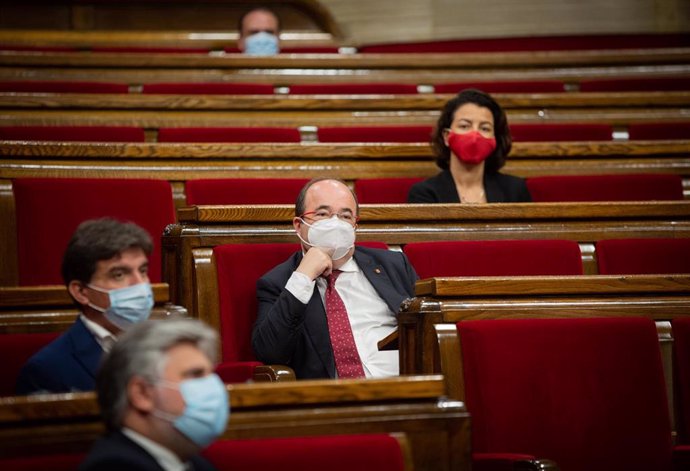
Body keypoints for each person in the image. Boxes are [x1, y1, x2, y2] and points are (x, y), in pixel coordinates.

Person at [252, 177, 418, 380]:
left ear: (355, 225)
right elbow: (270, 352)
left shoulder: (393, 265)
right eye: (322, 214)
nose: (335, 223)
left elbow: (427, 324)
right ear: (298, 224)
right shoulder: (278, 282)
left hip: (406, 390)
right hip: (334, 401)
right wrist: (303, 277)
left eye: (345, 216)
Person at [15, 218, 155, 395]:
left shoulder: (169, 348)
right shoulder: (45, 371)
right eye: (119, 274)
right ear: (81, 292)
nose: (139, 284)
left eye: (142, 271)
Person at [79, 318, 228, 471]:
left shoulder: (196, 464)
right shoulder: (114, 467)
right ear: (142, 394)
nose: (213, 386)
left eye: (210, 374)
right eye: (196, 375)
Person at [407, 88, 532, 203]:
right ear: (446, 136)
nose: (474, 135)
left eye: (485, 128)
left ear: (495, 139)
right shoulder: (425, 193)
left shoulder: (515, 190)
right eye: (464, 126)